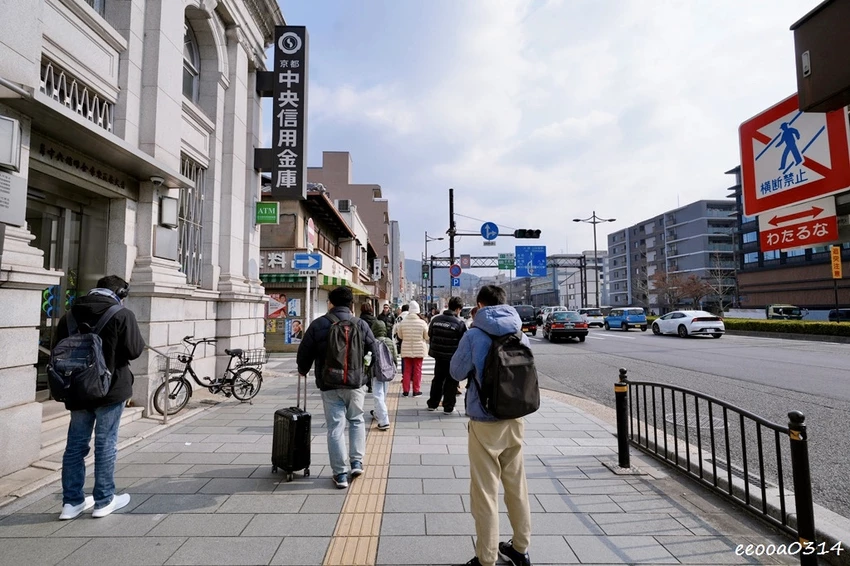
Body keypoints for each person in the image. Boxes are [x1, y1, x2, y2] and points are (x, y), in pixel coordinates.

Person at [450, 285, 532, 566]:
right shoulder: (519, 332)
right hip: (515, 418)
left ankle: (486, 558)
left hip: (484, 422)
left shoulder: (474, 334)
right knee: (517, 487)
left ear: (480, 304)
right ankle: (520, 549)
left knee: (485, 493)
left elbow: (456, 372)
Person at [55, 275, 145, 520]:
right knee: (106, 443)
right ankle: (104, 500)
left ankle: (71, 503)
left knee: (75, 446)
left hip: (78, 389)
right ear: (120, 294)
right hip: (110, 388)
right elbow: (135, 350)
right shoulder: (121, 314)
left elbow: (57, 349)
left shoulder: (70, 315)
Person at [296, 286, 377, 489]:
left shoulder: (319, 324)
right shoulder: (360, 324)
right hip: (355, 383)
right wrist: (365, 374)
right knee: (357, 420)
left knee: (335, 428)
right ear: (351, 304)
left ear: (330, 303)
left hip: (329, 382)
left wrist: (303, 369)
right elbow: (374, 351)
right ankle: (356, 462)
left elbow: (304, 352)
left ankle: (340, 474)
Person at [427, 296, 467, 414]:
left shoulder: (435, 320)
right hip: (452, 356)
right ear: (458, 309)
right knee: (451, 381)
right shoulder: (459, 323)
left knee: (438, 379)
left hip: (438, 355)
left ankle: (432, 404)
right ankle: (448, 406)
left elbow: (430, 335)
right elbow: (463, 341)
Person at [395, 300, 429, 397]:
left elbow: (400, 336)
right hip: (419, 349)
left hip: (406, 348)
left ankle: (405, 390)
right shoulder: (422, 323)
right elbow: (427, 337)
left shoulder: (403, 322)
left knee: (407, 370)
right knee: (417, 370)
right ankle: (416, 390)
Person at [369, 318, 398, 431]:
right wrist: (394, 367)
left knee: (378, 395)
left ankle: (384, 420)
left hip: (376, 372)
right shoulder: (389, 341)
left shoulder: (372, 342)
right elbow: (394, 355)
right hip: (387, 371)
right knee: (383, 394)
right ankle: (377, 413)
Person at [359, 303, 379, 393]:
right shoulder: (375, 319)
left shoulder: (359, 320)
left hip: (362, 344)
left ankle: (363, 381)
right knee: (371, 364)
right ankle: (370, 385)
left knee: (363, 363)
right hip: (372, 343)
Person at [392, 304, 410, 374]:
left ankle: (404, 374)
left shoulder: (399, 317)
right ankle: (410, 375)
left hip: (401, 339)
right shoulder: (410, 316)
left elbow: (394, 329)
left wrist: (395, 340)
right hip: (410, 338)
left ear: (402, 310)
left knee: (404, 357)